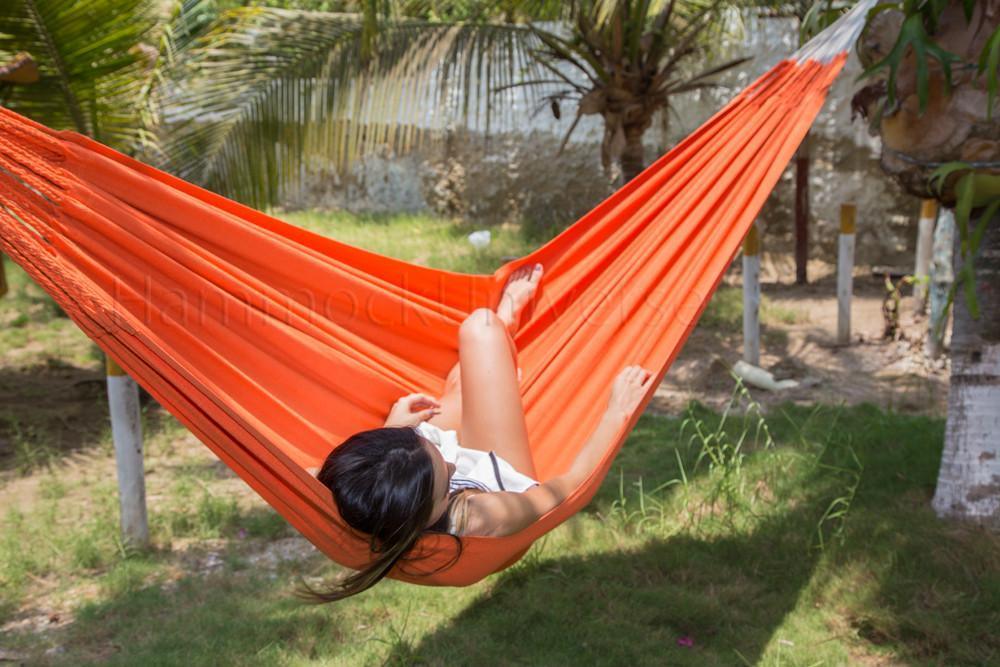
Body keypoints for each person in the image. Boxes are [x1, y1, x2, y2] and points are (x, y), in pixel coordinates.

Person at [303, 263, 653, 602]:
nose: (453, 466)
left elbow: (381, 479)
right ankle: (506, 324)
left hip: (420, 483)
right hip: (497, 472)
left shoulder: (349, 491)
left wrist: (393, 433)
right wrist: (616, 412)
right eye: (446, 480)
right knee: (481, 327)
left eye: (427, 447)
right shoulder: (487, 516)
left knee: (454, 394)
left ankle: (481, 383)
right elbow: (569, 488)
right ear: (429, 510)